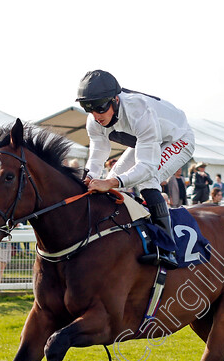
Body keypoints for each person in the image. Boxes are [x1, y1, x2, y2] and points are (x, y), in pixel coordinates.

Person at [77, 70, 194, 269]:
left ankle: (168, 248)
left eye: (100, 108)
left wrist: (110, 182)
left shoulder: (138, 111)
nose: (96, 116)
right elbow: (98, 152)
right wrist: (90, 177)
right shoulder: (94, 120)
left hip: (177, 139)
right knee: (113, 183)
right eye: (89, 109)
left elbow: (147, 168)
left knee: (146, 180)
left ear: (115, 100)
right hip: (147, 141)